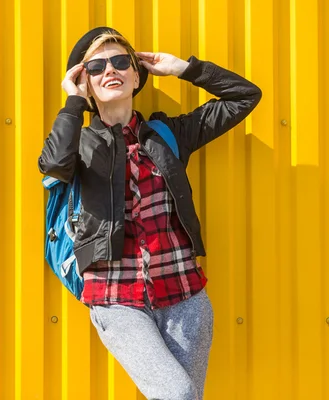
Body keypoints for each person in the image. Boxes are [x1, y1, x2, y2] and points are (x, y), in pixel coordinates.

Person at [39, 27, 261, 400]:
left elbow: (244, 97)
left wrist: (185, 69)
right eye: (96, 66)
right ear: (85, 82)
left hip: (184, 293)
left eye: (121, 61)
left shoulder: (166, 134)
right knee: (177, 394)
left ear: (136, 74)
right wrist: (74, 103)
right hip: (114, 297)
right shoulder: (79, 142)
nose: (111, 69)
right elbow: (54, 165)